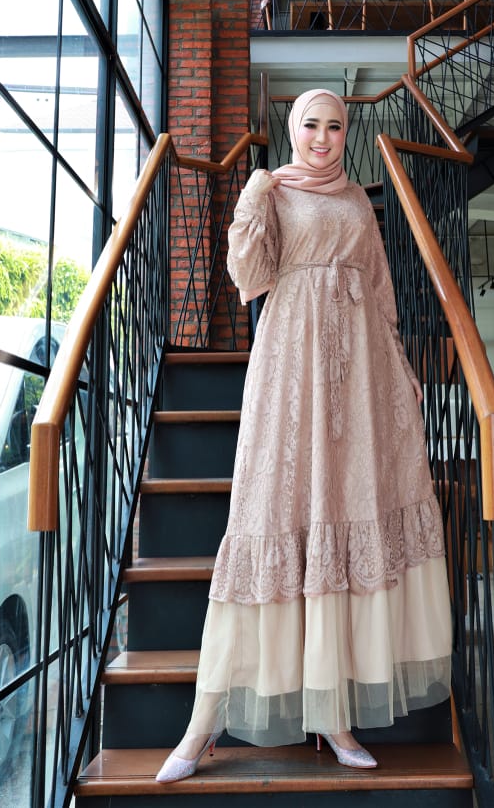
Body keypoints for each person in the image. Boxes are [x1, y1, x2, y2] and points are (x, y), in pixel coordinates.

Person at [155, 88, 452, 782]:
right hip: (290, 368)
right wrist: (252, 202)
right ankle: (201, 725)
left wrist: (401, 366)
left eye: (334, 127)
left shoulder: (357, 203)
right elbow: (249, 277)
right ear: (293, 130)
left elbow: (381, 292)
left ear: (348, 134)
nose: (322, 138)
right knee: (270, 512)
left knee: (346, 511)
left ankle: (334, 715)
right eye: (311, 125)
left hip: (360, 376)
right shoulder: (274, 189)